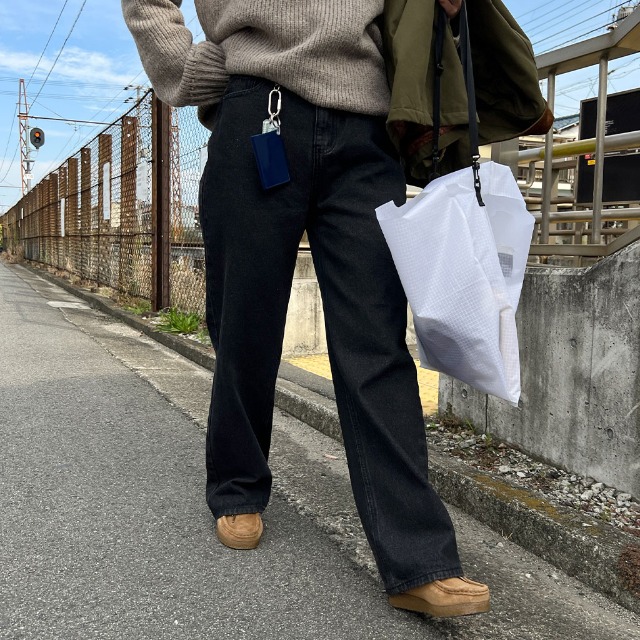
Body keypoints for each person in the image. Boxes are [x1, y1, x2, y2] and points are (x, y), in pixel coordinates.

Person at [122, 0, 490, 618]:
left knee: (377, 341)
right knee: (245, 324)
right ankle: (238, 486)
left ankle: (418, 561)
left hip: (368, 123)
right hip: (257, 106)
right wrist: (184, 68)